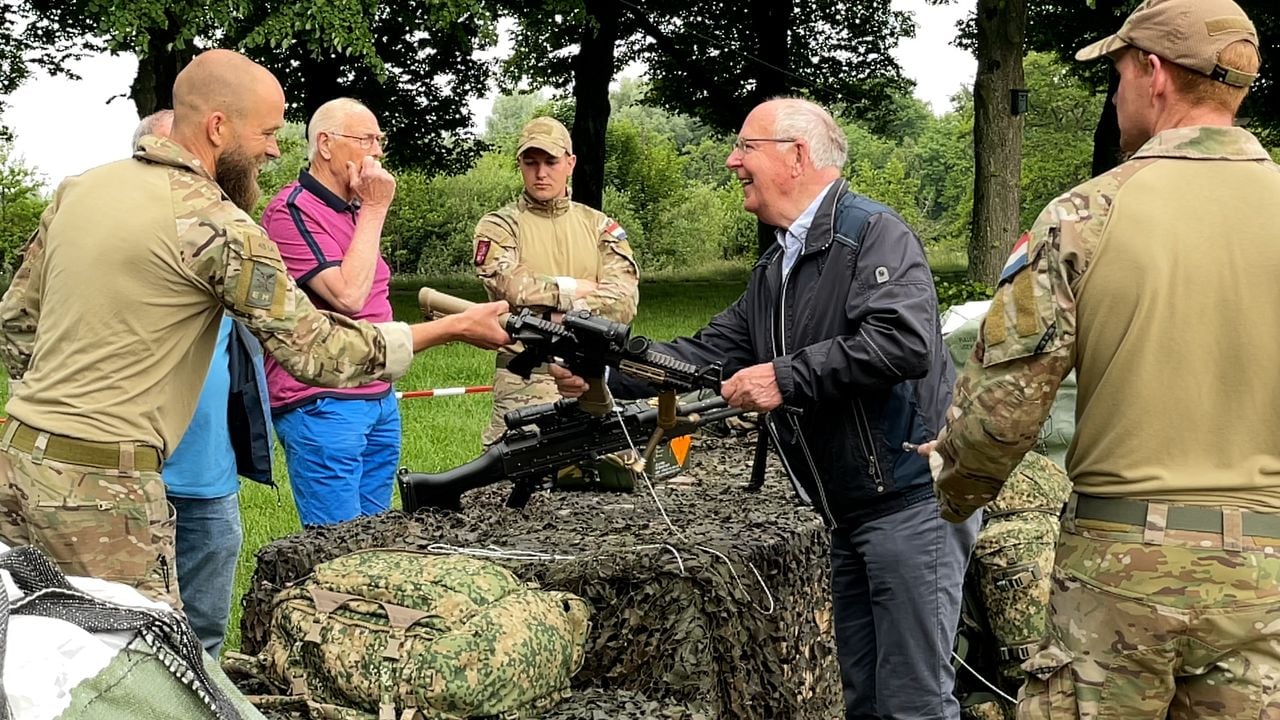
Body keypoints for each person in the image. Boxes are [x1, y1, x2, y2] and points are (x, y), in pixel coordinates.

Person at [0, 49, 510, 609]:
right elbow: (321, 353)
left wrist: (58, 412)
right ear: (219, 127)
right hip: (102, 489)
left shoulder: (80, 189)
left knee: (34, 648)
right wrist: (452, 328)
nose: (272, 148)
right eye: (266, 132)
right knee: (137, 666)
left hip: (16, 460)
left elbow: (16, 321)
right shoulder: (216, 223)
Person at [551, 97, 978, 720]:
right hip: (847, 512)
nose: (732, 161)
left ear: (796, 155)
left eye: (745, 147)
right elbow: (703, 355)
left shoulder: (872, 233)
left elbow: (903, 342)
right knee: (864, 698)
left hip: (910, 503)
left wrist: (785, 376)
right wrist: (602, 369)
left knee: (914, 703)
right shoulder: (776, 266)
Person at [920, 1, 1279, 717]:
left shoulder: (1085, 216)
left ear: (1152, 72)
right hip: (1267, 573)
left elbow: (1002, 412)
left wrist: (955, 486)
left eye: (1115, 74)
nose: (1114, 97)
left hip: (1119, 571)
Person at [133, 109, 275, 656]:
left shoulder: (225, 236)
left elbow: (289, 331)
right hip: (131, 479)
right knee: (126, 635)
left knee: (205, 633)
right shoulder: (122, 240)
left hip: (210, 477)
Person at [259, 98, 404, 527]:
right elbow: (349, 296)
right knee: (335, 546)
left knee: (377, 539)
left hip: (376, 394)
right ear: (325, 144)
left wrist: (368, 211)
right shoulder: (291, 211)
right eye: (366, 140)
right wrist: (377, 209)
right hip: (322, 400)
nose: (376, 152)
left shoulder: (354, 212)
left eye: (380, 140)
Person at [473, 116, 638, 446]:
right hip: (524, 378)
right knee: (514, 476)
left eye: (551, 161)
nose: (541, 173)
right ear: (520, 164)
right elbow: (509, 287)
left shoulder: (599, 226)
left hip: (590, 375)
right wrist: (575, 289)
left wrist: (556, 312)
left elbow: (623, 301)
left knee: (599, 479)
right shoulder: (499, 226)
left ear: (570, 163)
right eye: (531, 162)